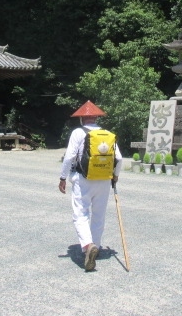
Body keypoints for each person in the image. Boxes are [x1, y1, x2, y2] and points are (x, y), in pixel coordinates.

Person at [58, 100, 123, 272]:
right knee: (99, 214)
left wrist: (63, 177)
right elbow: (120, 158)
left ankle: (87, 245)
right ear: (96, 117)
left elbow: (69, 157)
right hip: (104, 179)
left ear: (82, 119)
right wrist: (115, 176)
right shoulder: (108, 134)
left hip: (83, 179)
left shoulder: (78, 133)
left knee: (80, 213)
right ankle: (97, 246)